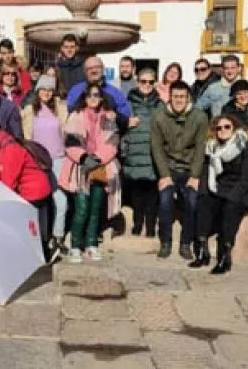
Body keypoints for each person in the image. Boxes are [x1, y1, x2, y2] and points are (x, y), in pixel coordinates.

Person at [59, 83, 121, 263]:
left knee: (95, 209)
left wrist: (99, 158)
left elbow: (112, 141)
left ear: (102, 98)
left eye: (96, 95)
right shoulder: (76, 116)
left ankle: (91, 243)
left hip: (101, 168)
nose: (93, 98)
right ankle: (76, 245)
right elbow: (70, 142)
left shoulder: (108, 117)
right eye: (89, 95)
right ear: (84, 98)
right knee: (82, 209)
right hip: (80, 169)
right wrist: (84, 157)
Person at [191, 115, 248, 274]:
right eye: (219, 128)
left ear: (234, 128)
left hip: (243, 188)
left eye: (227, 127)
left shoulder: (244, 145)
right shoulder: (211, 147)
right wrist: (204, 191)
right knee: (203, 202)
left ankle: (225, 255)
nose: (223, 130)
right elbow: (205, 172)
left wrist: (233, 196)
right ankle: (202, 249)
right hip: (220, 187)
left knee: (230, 208)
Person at [151, 80, 208, 260]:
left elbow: (200, 147)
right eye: (175, 96)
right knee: (165, 202)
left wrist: (195, 175)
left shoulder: (199, 117)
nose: (179, 100)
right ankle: (165, 242)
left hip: (189, 168)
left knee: (192, 202)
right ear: (169, 97)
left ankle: (185, 243)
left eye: (182, 96)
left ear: (188, 97)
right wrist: (164, 175)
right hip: (168, 167)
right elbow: (156, 147)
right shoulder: (159, 116)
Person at [0, 118, 53, 251]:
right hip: (27, 191)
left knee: (32, 228)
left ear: (1, 129)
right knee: (32, 227)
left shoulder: (10, 148)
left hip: (34, 191)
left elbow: (9, 181)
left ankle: (42, 253)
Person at [21, 75, 69, 261]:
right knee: (39, 202)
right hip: (37, 161)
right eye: (43, 89)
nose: (46, 93)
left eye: (50, 89)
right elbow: (26, 137)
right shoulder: (29, 110)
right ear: (37, 91)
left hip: (58, 159)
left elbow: (69, 129)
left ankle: (57, 237)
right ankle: (38, 238)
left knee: (60, 201)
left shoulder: (60, 108)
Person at [121, 69, 162, 237]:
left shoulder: (160, 104)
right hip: (135, 153)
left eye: (150, 82)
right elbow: (111, 124)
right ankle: (138, 223)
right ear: (137, 82)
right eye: (143, 81)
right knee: (137, 193)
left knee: (152, 193)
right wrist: (125, 122)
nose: (147, 85)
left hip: (153, 153)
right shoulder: (127, 103)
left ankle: (151, 225)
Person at [66, 56, 131, 123]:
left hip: (107, 128)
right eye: (90, 68)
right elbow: (70, 110)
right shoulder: (76, 90)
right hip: (83, 129)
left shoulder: (114, 92)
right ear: (85, 72)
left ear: (103, 69)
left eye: (97, 67)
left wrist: (115, 116)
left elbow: (125, 113)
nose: (94, 70)